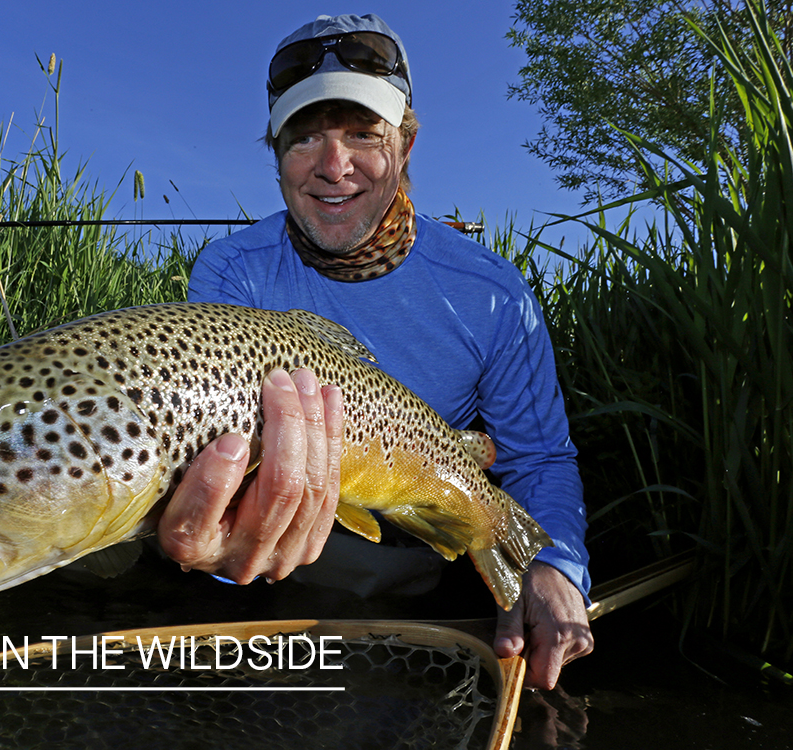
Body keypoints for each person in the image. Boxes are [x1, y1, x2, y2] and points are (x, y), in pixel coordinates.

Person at [156, 13, 593, 690]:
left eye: (363, 134)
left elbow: (537, 458)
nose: (333, 168)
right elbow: (217, 443)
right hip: (278, 551)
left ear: (407, 144)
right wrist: (216, 549)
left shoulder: (492, 294)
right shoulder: (231, 270)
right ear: (275, 154)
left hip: (425, 553)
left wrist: (556, 567)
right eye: (304, 139)